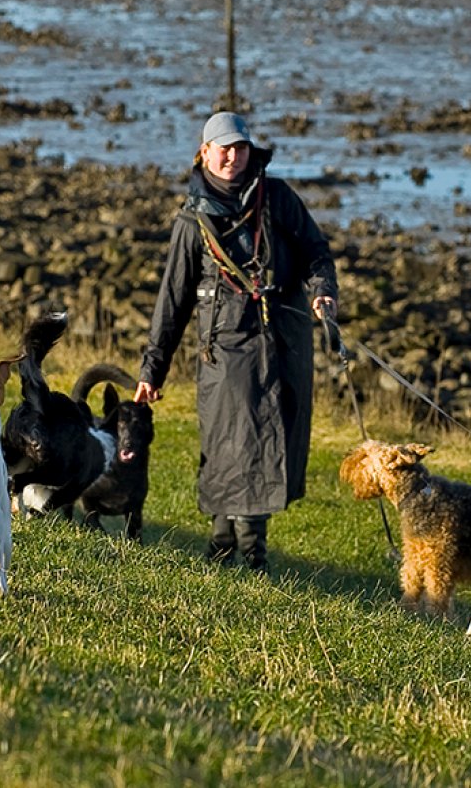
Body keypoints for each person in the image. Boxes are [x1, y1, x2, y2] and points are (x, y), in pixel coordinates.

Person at [134, 111, 338, 572]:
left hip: (282, 342)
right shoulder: (191, 221)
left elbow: (315, 252)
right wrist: (153, 370)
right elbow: (174, 299)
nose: (231, 156)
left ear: (250, 152)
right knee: (231, 445)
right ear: (204, 153)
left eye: (239, 148)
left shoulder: (279, 199)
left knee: (269, 441)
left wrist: (323, 291)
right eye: (222, 148)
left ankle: (248, 549)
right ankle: (230, 545)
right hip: (223, 348)